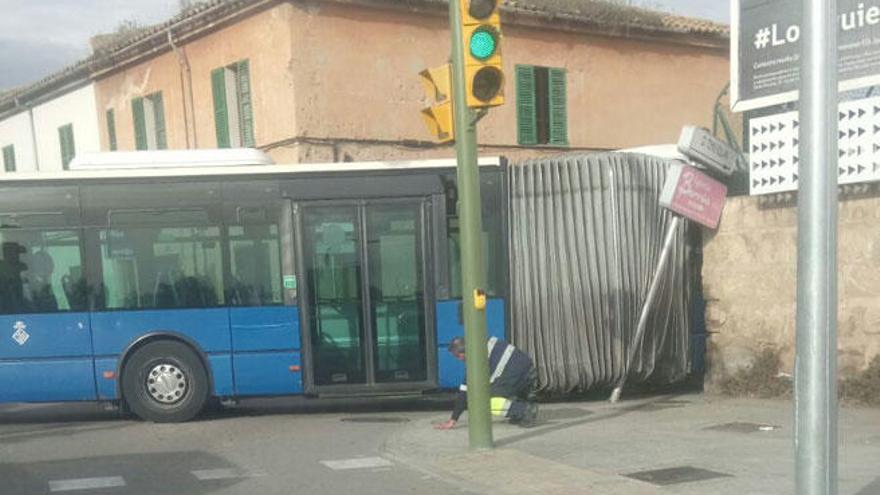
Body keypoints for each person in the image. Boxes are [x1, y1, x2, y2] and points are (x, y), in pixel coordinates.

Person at [434, 336, 538, 430]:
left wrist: (453, 419)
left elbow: (465, 392)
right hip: (527, 371)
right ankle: (520, 408)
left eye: (457, 356)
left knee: (481, 400)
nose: (459, 359)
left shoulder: (476, 360)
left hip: (515, 376)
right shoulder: (484, 341)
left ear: (462, 354)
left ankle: (523, 410)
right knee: (496, 387)